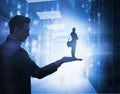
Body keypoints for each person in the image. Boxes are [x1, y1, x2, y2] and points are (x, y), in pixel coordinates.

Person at [0, 15, 82, 94]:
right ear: (16, 30)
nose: (28, 34)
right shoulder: (18, 52)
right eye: (26, 30)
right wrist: (61, 61)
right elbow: (38, 73)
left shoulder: (2, 47)